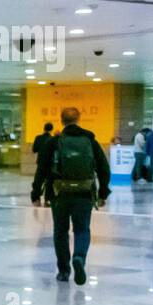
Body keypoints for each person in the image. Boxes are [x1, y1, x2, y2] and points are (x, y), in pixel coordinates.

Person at [31, 107, 111, 285]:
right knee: (82, 229)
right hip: (84, 193)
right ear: (79, 118)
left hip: (59, 194)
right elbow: (104, 168)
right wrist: (103, 192)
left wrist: (35, 193)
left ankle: (63, 271)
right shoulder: (90, 141)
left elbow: (41, 170)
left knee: (60, 231)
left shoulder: (53, 142)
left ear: (61, 120)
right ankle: (79, 257)